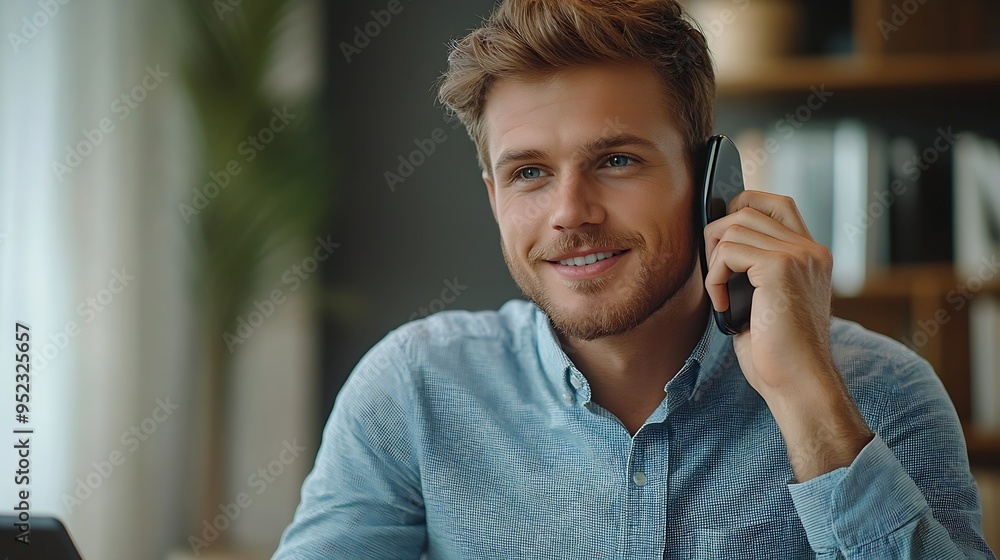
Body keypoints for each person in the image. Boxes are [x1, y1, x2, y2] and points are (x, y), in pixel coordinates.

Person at [273, 1, 996, 558]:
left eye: (616, 160)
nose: (569, 214)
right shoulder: (413, 389)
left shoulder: (880, 392)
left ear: (712, 178)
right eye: (529, 172)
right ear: (493, 194)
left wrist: (807, 397)